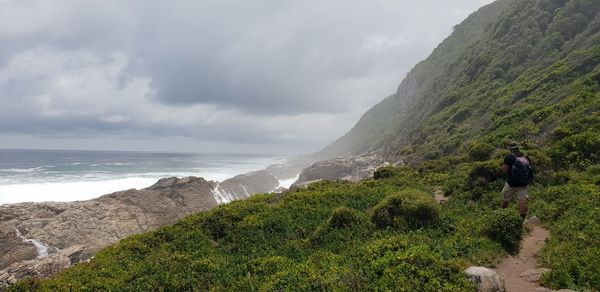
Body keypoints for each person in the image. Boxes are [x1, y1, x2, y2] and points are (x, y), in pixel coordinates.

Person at [500, 142, 533, 220]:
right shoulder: (526, 156)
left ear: (510, 149)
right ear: (518, 148)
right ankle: (522, 219)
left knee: (505, 200)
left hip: (512, 183)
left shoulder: (509, 157)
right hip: (524, 183)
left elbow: (504, 170)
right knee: (522, 200)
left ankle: (503, 217)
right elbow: (529, 168)